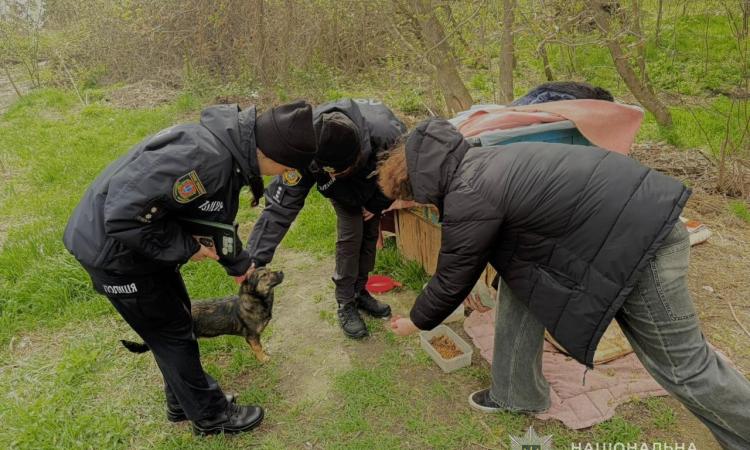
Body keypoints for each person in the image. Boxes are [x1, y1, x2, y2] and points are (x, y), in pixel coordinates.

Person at [380, 118, 750, 449]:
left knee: (684, 366)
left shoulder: (468, 190)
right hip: (628, 222)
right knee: (520, 285)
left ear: (420, 184)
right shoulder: (483, 159)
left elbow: (452, 276)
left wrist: (415, 321)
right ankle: (517, 392)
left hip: (644, 242)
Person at [63, 101, 317, 436]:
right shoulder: (205, 160)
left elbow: (205, 217)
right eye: (285, 167)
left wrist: (239, 263)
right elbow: (124, 217)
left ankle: (182, 403)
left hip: (143, 250)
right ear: (267, 152)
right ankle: (211, 416)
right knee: (172, 335)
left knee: (177, 324)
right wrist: (188, 248)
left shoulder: (226, 150)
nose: (283, 175)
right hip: (115, 257)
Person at [240, 99, 406, 339]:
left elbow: (400, 174)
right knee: (351, 236)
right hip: (341, 193)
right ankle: (345, 302)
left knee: (370, 234)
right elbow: (281, 207)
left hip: (374, 184)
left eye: (341, 170)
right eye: (331, 171)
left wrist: (377, 203)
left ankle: (360, 292)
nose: (336, 174)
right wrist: (254, 259)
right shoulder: (304, 149)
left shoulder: (387, 135)